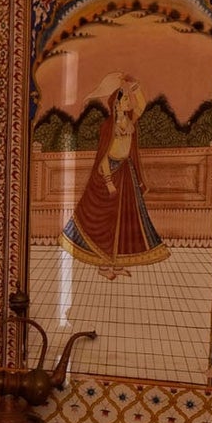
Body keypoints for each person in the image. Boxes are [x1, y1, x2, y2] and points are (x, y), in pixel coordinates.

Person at [60, 74, 168, 278]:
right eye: (125, 98)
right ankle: (103, 266)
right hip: (109, 174)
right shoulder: (108, 125)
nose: (130, 101)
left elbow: (142, 106)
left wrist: (134, 85)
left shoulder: (129, 120)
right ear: (116, 103)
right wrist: (109, 182)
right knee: (106, 221)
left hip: (127, 172)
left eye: (128, 98)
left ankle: (117, 263)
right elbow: (102, 156)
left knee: (126, 219)